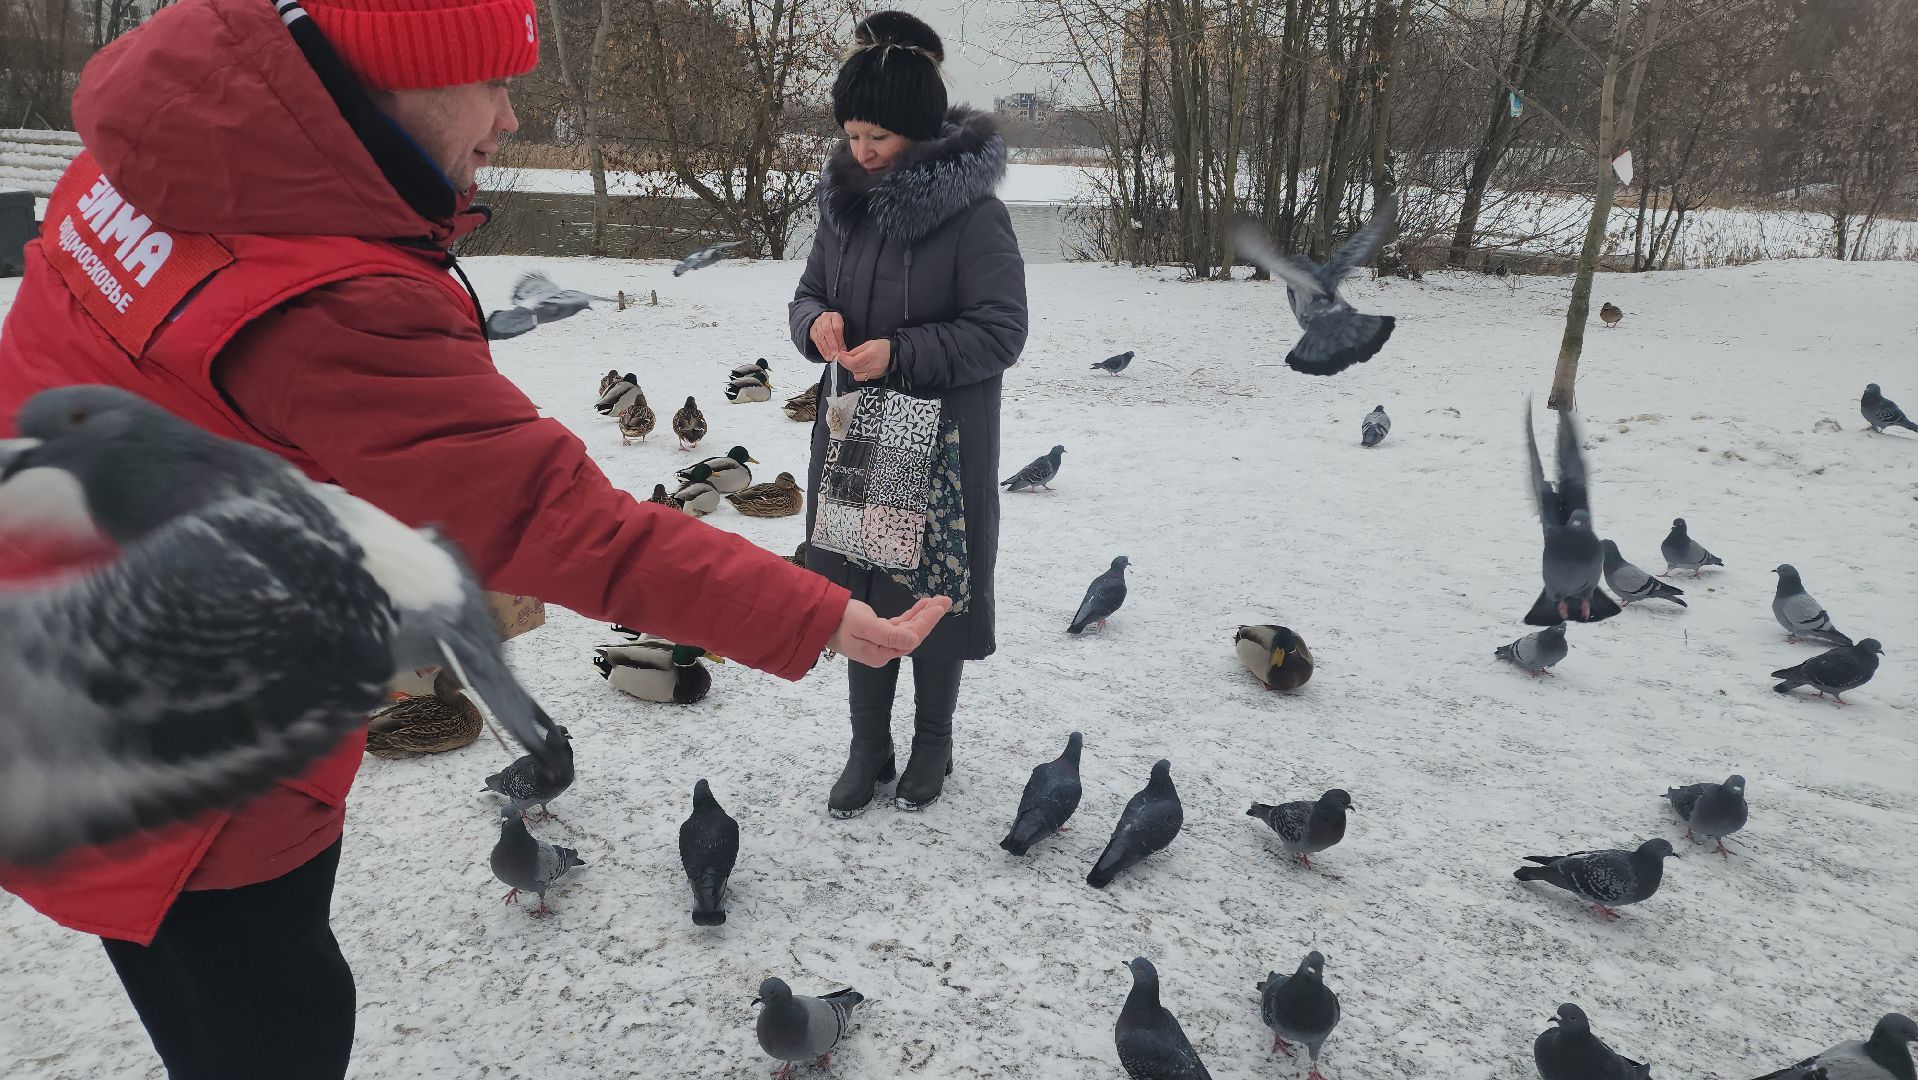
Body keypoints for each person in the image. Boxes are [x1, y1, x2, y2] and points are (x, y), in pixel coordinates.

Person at [0, 0, 946, 1075]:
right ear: (392, 77)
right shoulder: (327, 298)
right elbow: (560, 521)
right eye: (491, 83)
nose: (508, 118)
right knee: (273, 1030)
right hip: (189, 755)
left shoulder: (146, 165)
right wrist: (814, 612)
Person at [789, 11, 1028, 818]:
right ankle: (869, 747)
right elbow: (807, 294)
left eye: (878, 136)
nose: (861, 150)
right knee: (859, 590)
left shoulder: (975, 216)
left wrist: (902, 353)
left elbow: (1001, 332)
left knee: (932, 597)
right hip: (859, 434)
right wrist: (815, 326)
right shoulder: (842, 207)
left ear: (919, 129)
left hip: (941, 447)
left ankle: (933, 741)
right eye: (852, 134)